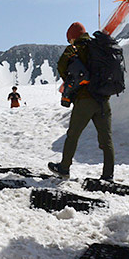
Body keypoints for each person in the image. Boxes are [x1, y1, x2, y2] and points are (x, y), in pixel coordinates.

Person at [49, 22, 114, 180]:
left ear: (72, 37)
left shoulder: (75, 49)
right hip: (103, 100)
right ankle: (108, 175)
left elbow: (61, 67)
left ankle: (64, 168)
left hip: (85, 100)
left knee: (73, 134)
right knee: (106, 139)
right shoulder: (99, 46)